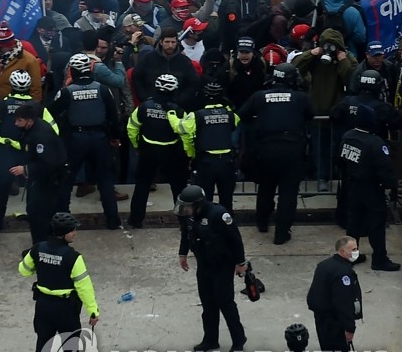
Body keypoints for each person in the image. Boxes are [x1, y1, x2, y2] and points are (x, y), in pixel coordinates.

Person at [18, 212, 98, 352]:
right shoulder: (73, 257)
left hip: (43, 308)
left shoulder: (37, 249)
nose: (75, 233)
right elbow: (84, 288)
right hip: (66, 311)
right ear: (63, 234)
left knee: (41, 348)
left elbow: (24, 270)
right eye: (73, 230)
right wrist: (93, 311)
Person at [239, 63, 314, 244]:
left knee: (266, 187)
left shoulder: (260, 97)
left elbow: (242, 114)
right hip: (292, 149)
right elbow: (311, 114)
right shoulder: (300, 98)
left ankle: (262, 223)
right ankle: (281, 233)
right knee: (288, 193)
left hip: (266, 148)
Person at [0, 70, 58, 242]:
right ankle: (41, 233)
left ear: (12, 85)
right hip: (29, 155)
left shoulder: (0, 104)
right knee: (35, 194)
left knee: (1, 193)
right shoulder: (38, 107)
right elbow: (54, 130)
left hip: (5, 154)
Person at [51, 53, 122, 230]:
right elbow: (114, 116)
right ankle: (113, 220)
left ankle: (62, 221)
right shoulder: (102, 89)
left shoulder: (67, 91)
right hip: (99, 138)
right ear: (90, 69)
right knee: (105, 181)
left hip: (76, 139)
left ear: (71, 70)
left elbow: (50, 113)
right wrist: (115, 137)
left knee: (67, 180)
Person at [175, 185, 248, 352]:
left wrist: (240, 262)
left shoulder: (219, 214)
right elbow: (186, 234)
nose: (185, 210)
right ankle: (210, 340)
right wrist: (182, 253)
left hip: (222, 266)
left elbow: (235, 240)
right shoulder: (190, 216)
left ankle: (238, 340)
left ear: (198, 204)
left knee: (226, 303)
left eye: (188, 206)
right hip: (204, 265)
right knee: (208, 305)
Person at [337, 106, 401, 271]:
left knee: (353, 222)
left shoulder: (348, 136)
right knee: (377, 224)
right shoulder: (375, 143)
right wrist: (391, 186)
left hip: (352, 185)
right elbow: (385, 170)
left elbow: (341, 160)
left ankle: (350, 256)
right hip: (372, 188)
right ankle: (379, 259)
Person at [127, 74, 193, 228]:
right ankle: (184, 221)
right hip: (172, 152)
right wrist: (189, 154)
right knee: (178, 187)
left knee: (142, 186)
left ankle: (136, 220)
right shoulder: (178, 111)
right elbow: (186, 134)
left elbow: (132, 128)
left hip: (148, 151)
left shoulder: (143, 107)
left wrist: (137, 145)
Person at [306, 236, 363, 352]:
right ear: (342, 251)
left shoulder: (325, 265)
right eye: (352, 249)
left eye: (356, 248)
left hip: (323, 319)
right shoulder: (342, 273)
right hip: (334, 323)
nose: (356, 252)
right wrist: (349, 327)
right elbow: (343, 303)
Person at [176, 80, 239, 211]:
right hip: (227, 162)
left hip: (206, 162)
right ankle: (226, 225)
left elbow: (182, 129)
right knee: (227, 200)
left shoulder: (197, 115)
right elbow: (234, 126)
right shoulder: (231, 115)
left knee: (204, 201)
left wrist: (190, 153)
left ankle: (205, 227)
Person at [12, 104, 66, 245]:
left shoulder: (42, 135)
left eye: (19, 120)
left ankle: (41, 246)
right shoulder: (31, 130)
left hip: (48, 180)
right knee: (35, 211)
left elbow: (48, 163)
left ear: (29, 121)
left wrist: (26, 169)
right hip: (39, 179)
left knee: (39, 214)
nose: (16, 124)